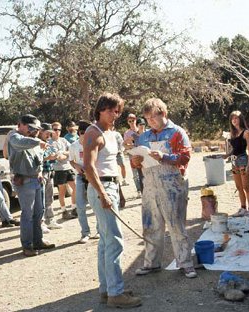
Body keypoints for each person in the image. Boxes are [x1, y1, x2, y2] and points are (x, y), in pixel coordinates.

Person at [83, 93, 142, 308]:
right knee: (115, 241)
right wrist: (103, 193)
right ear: (100, 109)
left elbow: (111, 165)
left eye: (117, 111)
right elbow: (88, 167)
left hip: (110, 185)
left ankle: (107, 289)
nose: (114, 114)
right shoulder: (93, 132)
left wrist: (118, 191)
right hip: (101, 188)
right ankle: (115, 293)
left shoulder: (111, 133)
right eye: (110, 110)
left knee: (105, 242)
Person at [132, 98, 197, 279]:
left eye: (154, 117)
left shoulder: (177, 132)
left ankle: (185, 264)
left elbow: (185, 157)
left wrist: (164, 156)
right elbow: (136, 159)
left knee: (176, 226)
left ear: (163, 113)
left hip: (173, 185)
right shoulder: (144, 137)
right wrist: (135, 161)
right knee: (150, 225)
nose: (151, 122)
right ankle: (151, 263)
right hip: (150, 186)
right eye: (147, 119)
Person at [8, 114, 55, 257]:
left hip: (36, 179)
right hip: (25, 180)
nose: (32, 131)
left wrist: (40, 171)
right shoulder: (14, 136)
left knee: (38, 213)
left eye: (34, 129)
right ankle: (27, 246)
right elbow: (22, 142)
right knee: (27, 215)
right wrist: (37, 142)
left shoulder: (32, 140)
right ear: (21, 124)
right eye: (30, 128)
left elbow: (38, 157)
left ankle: (38, 240)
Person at [69, 120, 98, 243]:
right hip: (80, 177)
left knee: (96, 205)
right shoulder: (73, 146)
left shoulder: (93, 144)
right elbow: (71, 160)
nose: (83, 135)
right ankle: (85, 233)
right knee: (80, 206)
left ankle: (99, 230)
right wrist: (76, 166)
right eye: (81, 133)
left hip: (93, 177)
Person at [222, 111, 249, 216]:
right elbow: (234, 149)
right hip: (234, 161)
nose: (234, 120)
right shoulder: (232, 134)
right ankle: (243, 208)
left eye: (236, 118)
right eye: (232, 119)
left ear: (240, 119)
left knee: (246, 187)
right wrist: (227, 155)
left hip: (243, 160)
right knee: (239, 187)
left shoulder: (246, 133)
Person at [38, 123, 63, 232]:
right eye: (47, 133)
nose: (49, 135)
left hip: (49, 172)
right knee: (41, 199)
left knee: (49, 198)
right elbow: (37, 160)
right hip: (41, 173)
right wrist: (49, 157)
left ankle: (50, 219)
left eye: (50, 133)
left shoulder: (47, 143)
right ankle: (41, 222)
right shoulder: (36, 143)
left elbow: (50, 158)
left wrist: (54, 157)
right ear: (41, 131)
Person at [51, 121, 77, 220]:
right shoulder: (50, 143)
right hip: (59, 170)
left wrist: (63, 153)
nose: (57, 131)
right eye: (55, 129)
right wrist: (64, 154)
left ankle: (74, 208)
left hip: (68, 167)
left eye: (59, 129)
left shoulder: (63, 140)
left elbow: (71, 150)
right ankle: (63, 211)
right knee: (62, 191)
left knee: (75, 187)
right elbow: (58, 158)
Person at [123, 113, 142, 197]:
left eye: (133, 120)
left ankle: (144, 189)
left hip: (142, 153)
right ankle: (138, 190)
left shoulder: (141, 129)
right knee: (135, 174)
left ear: (135, 120)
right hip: (132, 154)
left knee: (144, 173)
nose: (131, 122)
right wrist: (133, 145)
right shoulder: (127, 133)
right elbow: (125, 145)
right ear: (127, 122)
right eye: (129, 121)